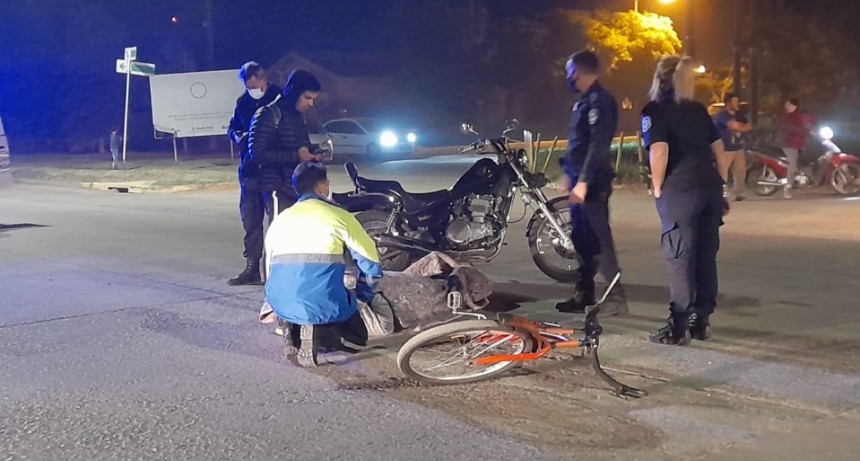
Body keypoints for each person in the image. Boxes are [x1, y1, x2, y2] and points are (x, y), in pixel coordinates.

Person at [641, 56, 730, 345]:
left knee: (680, 257)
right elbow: (719, 149)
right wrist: (722, 184)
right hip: (709, 188)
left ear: (659, 79)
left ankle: (677, 326)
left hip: (681, 189)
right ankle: (701, 322)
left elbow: (660, 150)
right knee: (706, 256)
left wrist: (657, 188)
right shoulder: (698, 109)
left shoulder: (654, 110)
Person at [264, 162, 382, 367]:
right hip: (323, 303)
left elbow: (269, 270)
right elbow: (372, 264)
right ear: (323, 187)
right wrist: (362, 297)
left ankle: (291, 329)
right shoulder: (339, 216)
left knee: (295, 284)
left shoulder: (280, 219)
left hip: (277, 300)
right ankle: (322, 334)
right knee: (357, 335)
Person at [554, 49, 627, 317]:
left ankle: (616, 298)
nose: (568, 78)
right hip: (578, 180)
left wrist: (583, 181)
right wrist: (569, 174)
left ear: (580, 71)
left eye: (569, 72)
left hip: (593, 184)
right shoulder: (583, 102)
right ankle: (584, 294)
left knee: (600, 240)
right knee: (581, 240)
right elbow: (578, 144)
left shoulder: (601, 101)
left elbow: (597, 146)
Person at [226, 62, 283, 286]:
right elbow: (232, 126)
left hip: (273, 170)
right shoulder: (243, 101)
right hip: (249, 171)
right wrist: (236, 136)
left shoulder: (280, 98)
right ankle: (252, 268)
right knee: (250, 221)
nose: (251, 89)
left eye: (253, 84)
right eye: (247, 85)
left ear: (263, 79)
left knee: (277, 223)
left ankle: (278, 270)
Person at [712, 93, 751, 201]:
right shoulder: (722, 115)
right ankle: (720, 193)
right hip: (725, 148)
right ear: (728, 103)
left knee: (740, 171)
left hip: (738, 146)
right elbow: (736, 126)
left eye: (737, 101)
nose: (736, 103)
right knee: (722, 171)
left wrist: (740, 127)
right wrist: (740, 127)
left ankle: (739, 193)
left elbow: (748, 126)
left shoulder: (739, 114)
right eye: (734, 101)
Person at [781, 98, 815, 199]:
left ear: (794, 107)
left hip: (799, 144)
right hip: (790, 145)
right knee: (792, 164)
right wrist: (806, 131)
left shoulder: (799, 116)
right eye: (786, 105)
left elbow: (809, 121)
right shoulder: (788, 117)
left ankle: (805, 180)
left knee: (808, 159)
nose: (786, 107)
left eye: (788, 105)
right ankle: (788, 187)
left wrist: (812, 128)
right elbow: (791, 128)